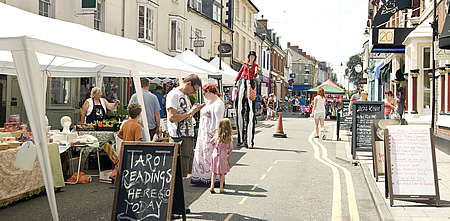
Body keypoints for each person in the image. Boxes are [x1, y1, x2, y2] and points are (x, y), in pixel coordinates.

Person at [166, 74, 205, 178]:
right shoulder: (174, 95)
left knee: (186, 172)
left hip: (186, 136)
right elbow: (172, 118)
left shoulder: (184, 96)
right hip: (179, 138)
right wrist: (190, 113)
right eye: (194, 89)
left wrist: (194, 110)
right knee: (179, 173)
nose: (194, 93)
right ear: (188, 84)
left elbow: (185, 115)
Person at [191, 84, 225, 187]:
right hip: (203, 133)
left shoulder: (218, 103)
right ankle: (201, 176)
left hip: (210, 133)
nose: (204, 95)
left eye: (205, 92)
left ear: (210, 92)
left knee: (211, 156)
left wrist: (217, 134)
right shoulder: (208, 102)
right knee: (203, 154)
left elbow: (219, 121)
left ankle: (212, 178)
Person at [234, 51, 259, 149]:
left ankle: (249, 141)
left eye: (253, 57)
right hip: (242, 82)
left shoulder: (255, 66)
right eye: (250, 56)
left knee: (251, 113)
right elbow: (240, 72)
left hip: (250, 83)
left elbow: (255, 75)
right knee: (239, 110)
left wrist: (256, 72)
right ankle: (240, 139)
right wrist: (236, 80)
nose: (251, 58)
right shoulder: (244, 64)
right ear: (248, 57)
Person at [209, 118, 233, 194]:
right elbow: (231, 147)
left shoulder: (217, 135)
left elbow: (211, 142)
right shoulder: (229, 137)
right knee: (222, 172)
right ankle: (221, 188)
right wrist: (228, 152)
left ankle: (212, 186)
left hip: (215, 154)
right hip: (223, 154)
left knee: (214, 171)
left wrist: (215, 145)